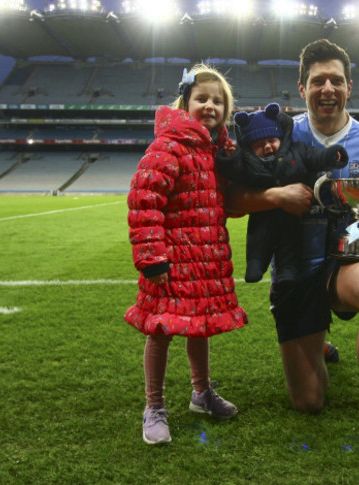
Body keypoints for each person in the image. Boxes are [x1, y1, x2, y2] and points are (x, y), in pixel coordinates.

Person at [226, 39, 359, 469]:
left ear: (350, 87)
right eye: (318, 80)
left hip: (349, 260)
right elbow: (231, 201)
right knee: (308, 402)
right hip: (295, 267)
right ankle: (317, 341)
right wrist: (274, 194)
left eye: (336, 80)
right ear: (301, 86)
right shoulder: (273, 135)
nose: (328, 88)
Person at [124, 64, 248, 445]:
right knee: (160, 330)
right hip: (172, 261)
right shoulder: (169, 145)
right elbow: (145, 201)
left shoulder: (216, 150)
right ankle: (154, 405)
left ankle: (201, 394)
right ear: (185, 101)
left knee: (201, 326)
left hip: (205, 261)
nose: (210, 105)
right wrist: (153, 257)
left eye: (218, 100)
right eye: (202, 98)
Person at [217, 102, 347, 283]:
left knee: (290, 244)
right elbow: (235, 172)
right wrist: (229, 158)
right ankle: (255, 265)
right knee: (258, 240)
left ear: (281, 138)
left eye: (271, 141)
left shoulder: (297, 151)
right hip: (263, 213)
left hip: (291, 215)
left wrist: (332, 156)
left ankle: (287, 270)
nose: (268, 147)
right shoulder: (248, 161)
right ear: (250, 147)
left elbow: (315, 157)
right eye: (260, 144)